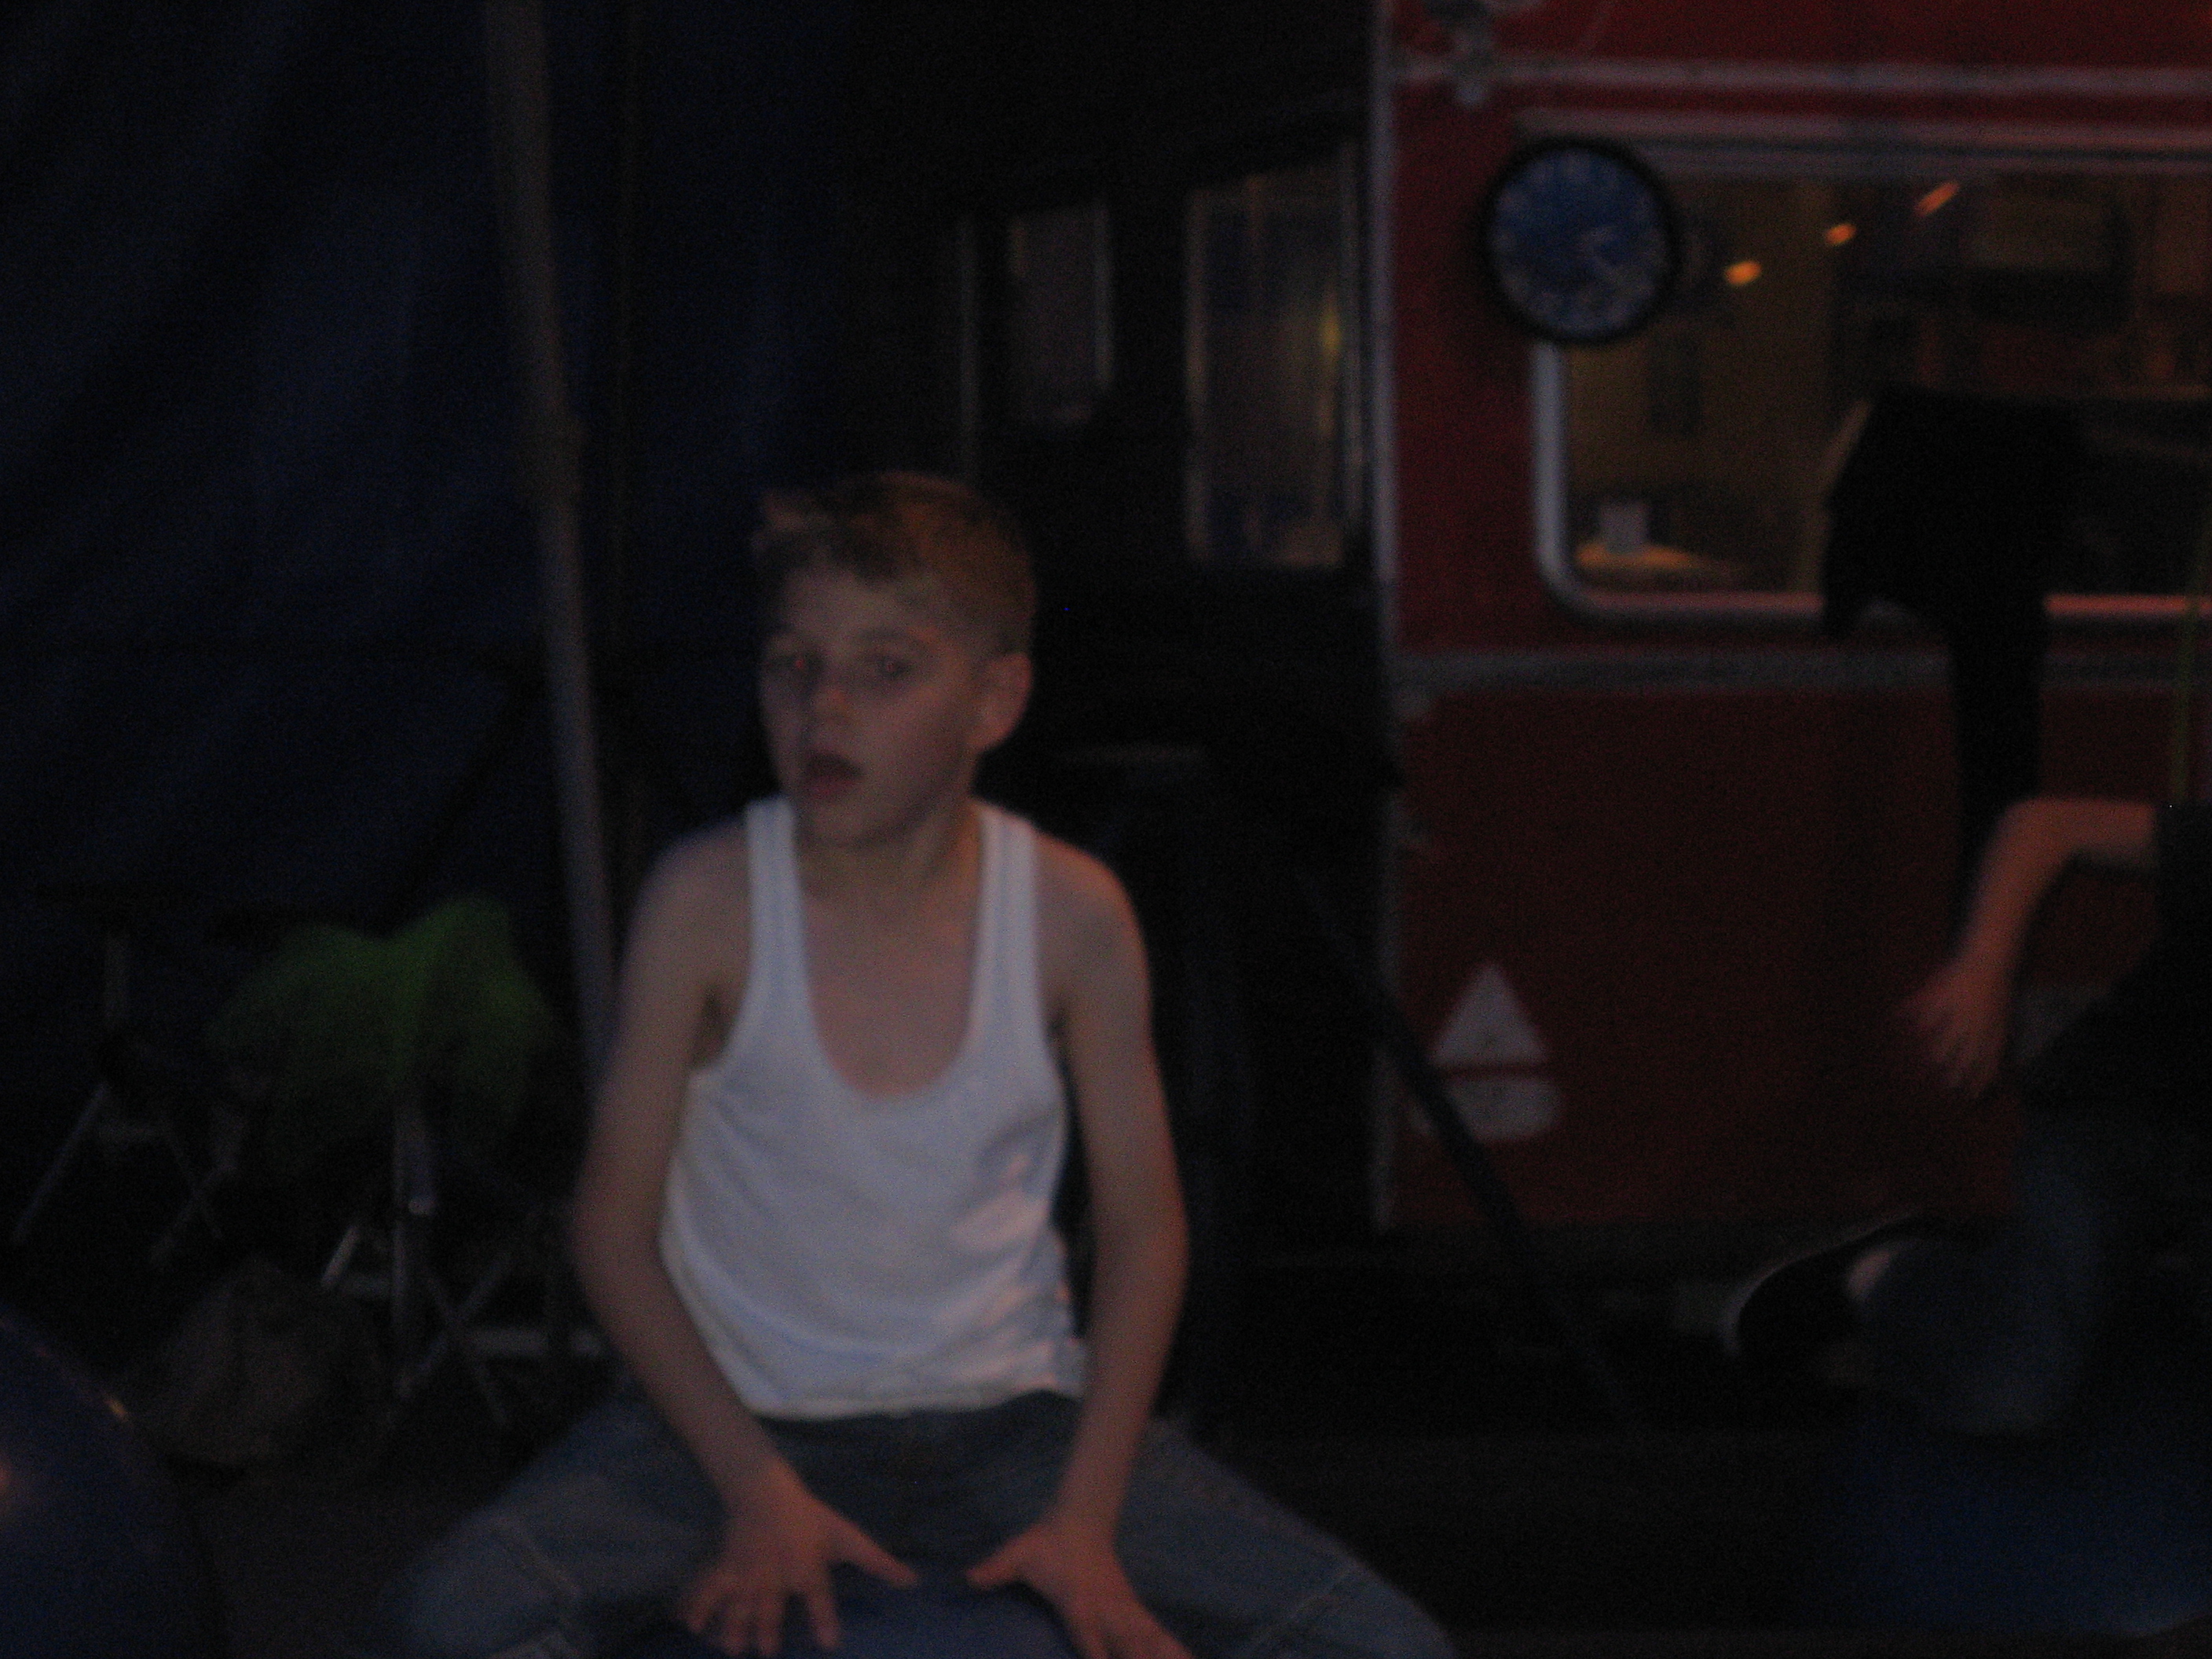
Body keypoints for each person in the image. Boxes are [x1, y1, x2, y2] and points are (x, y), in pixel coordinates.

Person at [350, 474, 1455, 1659]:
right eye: (792, 665)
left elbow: (1145, 1232)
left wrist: (1084, 1521)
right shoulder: (707, 901)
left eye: (885, 670)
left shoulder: (1070, 912)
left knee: (1384, 1646)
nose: (823, 707)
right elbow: (611, 1230)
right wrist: (754, 1486)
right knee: (442, 1620)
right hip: (730, 1423)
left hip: (1010, 1429)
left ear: (994, 699)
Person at [1726, 794, 2212, 1437]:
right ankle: (1886, 1269)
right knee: (2011, 1391)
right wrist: (1985, 966)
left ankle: (2054, 1291)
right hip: (2114, 1122)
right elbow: (2046, 825)